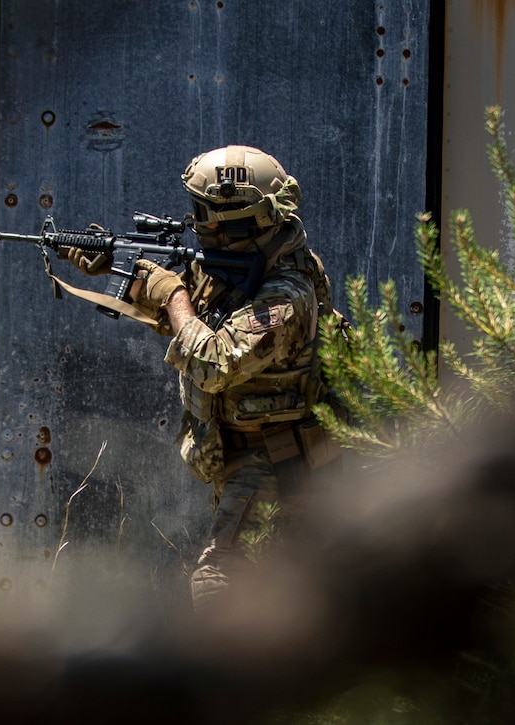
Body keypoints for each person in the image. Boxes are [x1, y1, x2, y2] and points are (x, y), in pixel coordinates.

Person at [67, 145, 342, 614]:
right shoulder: (241, 259)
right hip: (251, 456)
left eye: (204, 214)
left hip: (281, 465)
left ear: (238, 220)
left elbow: (213, 363)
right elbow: (194, 319)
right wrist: (123, 271)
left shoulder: (285, 295)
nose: (196, 223)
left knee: (224, 583)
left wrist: (170, 291)